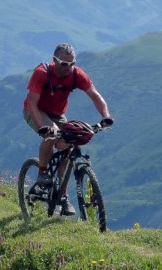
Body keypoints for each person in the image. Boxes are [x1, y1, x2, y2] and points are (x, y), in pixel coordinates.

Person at [23, 43, 113, 215]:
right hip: (34, 110)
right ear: (54, 61)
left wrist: (106, 116)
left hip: (57, 113)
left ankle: (62, 196)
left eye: (72, 64)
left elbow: (95, 95)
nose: (68, 68)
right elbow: (32, 103)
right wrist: (43, 127)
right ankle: (43, 174)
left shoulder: (76, 74)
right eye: (64, 64)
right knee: (52, 134)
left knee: (67, 146)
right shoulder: (42, 73)